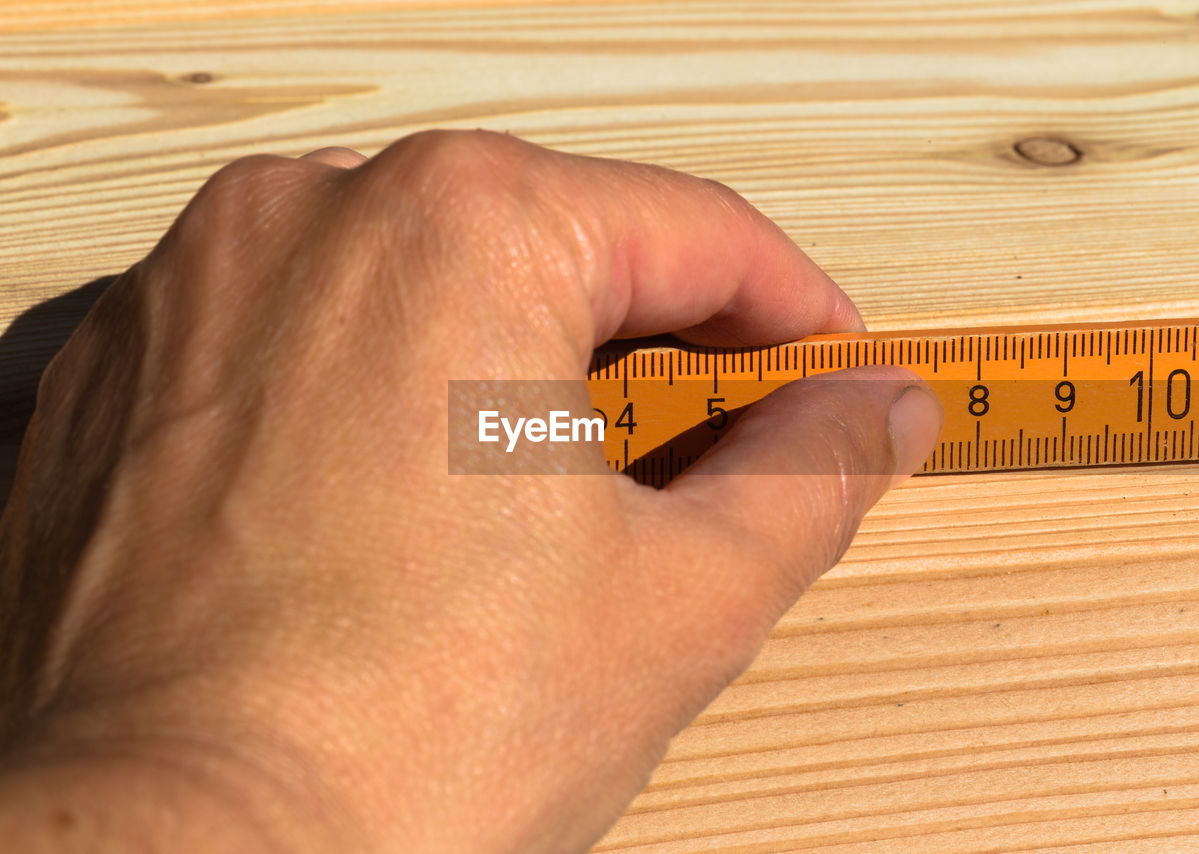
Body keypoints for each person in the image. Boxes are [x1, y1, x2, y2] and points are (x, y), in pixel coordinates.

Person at [0, 130, 942, 852]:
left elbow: (494, 427)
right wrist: (251, 764)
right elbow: (495, 426)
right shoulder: (518, 420)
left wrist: (197, 752)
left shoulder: (513, 420)